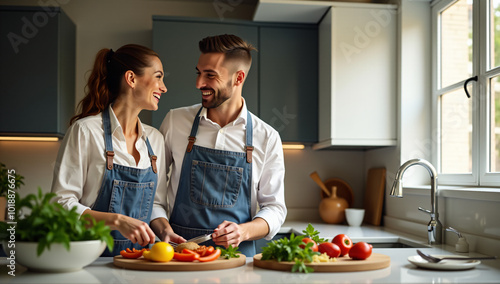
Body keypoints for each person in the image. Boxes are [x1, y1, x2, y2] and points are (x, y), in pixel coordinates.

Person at [157, 34, 287, 257]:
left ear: (238, 78)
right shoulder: (175, 122)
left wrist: (243, 232)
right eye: (199, 73)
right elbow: (154, 195)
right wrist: (164, 230)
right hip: (180, 257)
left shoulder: (266, 137)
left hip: (236, 260)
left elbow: (275, 209)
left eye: (210, 75)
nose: (199, 83)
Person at [51, 44, 171, 256]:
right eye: (158, 77)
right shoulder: (85, 131)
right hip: (89, 260)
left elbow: (155, 205)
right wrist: (117, 221)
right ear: (131, 79)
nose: (163, 87)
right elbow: (61, 206)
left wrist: (165, 231)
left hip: (141, 262)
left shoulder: (155, 140)